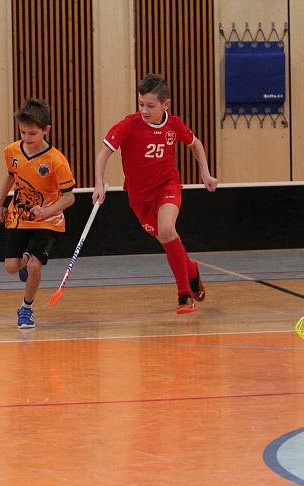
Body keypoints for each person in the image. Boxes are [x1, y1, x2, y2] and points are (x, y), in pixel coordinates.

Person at [92, 73, 217, 314]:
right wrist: (98, 183)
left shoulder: (174, 125)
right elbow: (103, 154)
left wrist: (206, 173)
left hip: (167, 187)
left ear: (165, 105)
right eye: (141, 104)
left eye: (150, 106)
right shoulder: (128, 125)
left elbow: (196, 144)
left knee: (168, 229)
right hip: (139, 198)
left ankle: (184, 295)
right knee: (166, 240)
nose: (144, 110)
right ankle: (191, 269)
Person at [0, 98, 75, 328]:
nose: (27, 139)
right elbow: (11, 175)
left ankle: (26, 309)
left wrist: (47, 211)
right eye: (23, 133)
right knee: (11, 267)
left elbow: (69, 197)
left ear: (46, 130)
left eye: (32, 133)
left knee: (34, 266)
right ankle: (26, 262)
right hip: (19, 216)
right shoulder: (11, 151)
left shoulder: (56, 161)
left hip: (49, 220)